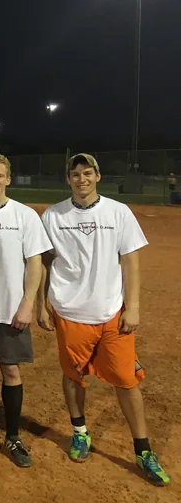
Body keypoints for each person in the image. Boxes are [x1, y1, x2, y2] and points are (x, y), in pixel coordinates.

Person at [37, 153, 170, 486]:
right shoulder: (53, 215)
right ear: (68, 179)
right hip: (69, 311)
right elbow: (43, 262)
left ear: (97, 176)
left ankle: (143, 450)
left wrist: (132, 306)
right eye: (75, 174)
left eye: (87, 173)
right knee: (73, 376)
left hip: (112, 312)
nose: (81, 179)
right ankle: (80, 431)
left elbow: (130, 261)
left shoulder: (118, 212)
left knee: (126, 380)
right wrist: (41, 303)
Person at [0, 154, 52, 469]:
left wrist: (28, 304)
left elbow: (35, 263)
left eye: (0, 175)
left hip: (12, 309)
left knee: (11, 370)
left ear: (8, 179)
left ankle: (13, 435)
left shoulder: (24, 215)